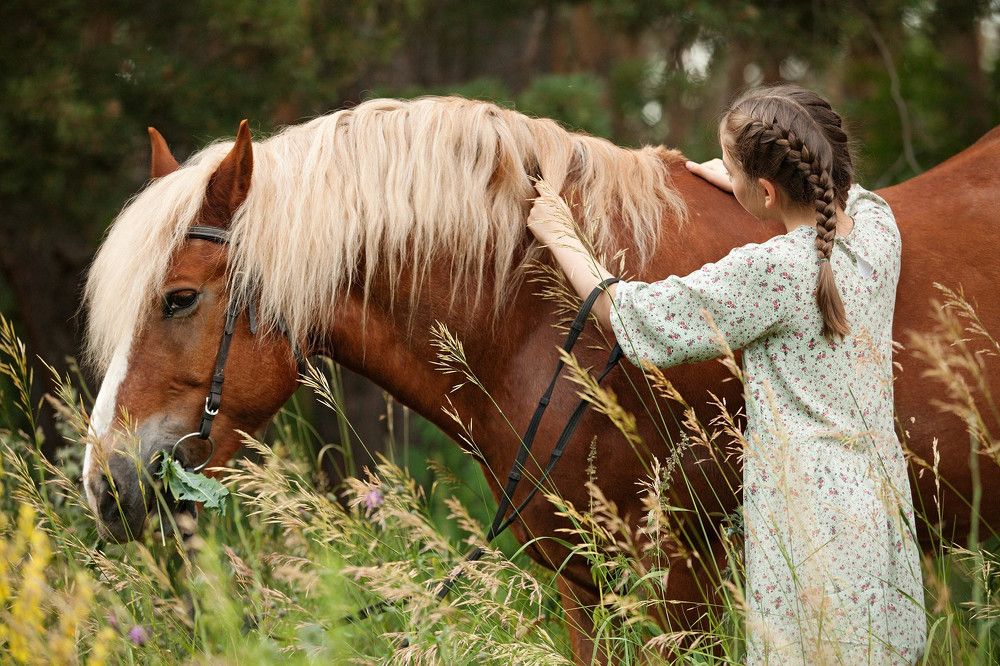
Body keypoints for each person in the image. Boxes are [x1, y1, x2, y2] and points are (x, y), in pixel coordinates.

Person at [525, 83, 926, 664]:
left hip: (808, 519)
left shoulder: (770, 271)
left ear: (765, 190)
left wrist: (563, 238)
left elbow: (637, 318)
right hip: (877, 505)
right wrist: (751, 184)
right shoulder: (877, 236)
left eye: (735, 171)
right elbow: (858, 198)